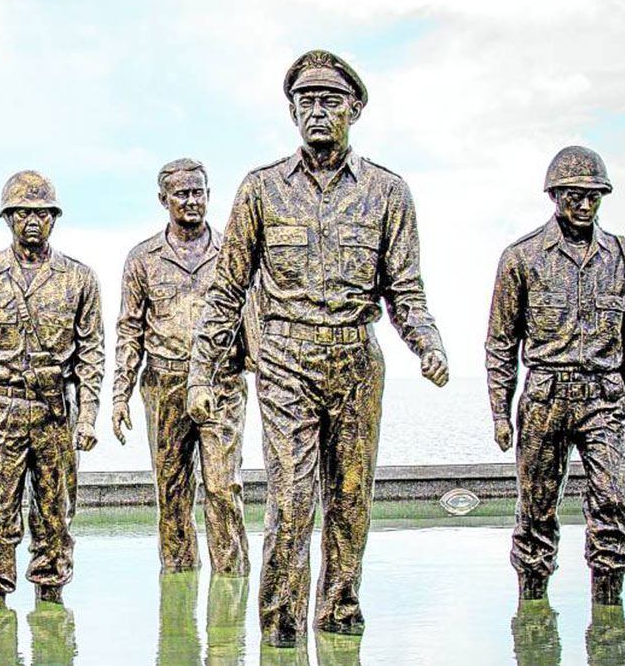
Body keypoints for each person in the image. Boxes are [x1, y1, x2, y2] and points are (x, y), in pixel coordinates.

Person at [187, 50, 449, 646]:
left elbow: (405, 291)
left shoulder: (388, 192)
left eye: (331, 101)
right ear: (292, 112)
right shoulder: (261, 190)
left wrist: (426, 344)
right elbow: (226, 292)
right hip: (285, 364)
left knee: (351, 504)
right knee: (291, 503)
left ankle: (339, 621)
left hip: (357, 363)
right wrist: (203, 375)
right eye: (306, 102)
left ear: (354, 109)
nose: (318, 112)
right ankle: (280, 635)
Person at [485, 145, 625, 606]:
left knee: (612, 510)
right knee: (534, 517)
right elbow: (500, 343)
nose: (585, 203)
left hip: (605, 399)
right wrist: (499, 412)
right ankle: (532, 618)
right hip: (544, 400)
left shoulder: (624, 257)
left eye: (594, 195)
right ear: (555, 195)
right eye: (574, 194)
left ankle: (610, 625)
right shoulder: (521, 258)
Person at [0, 170, 104, 611]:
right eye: (21, 213)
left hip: (55, 411)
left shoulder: (79, 279)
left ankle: (51, 604)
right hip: (1, 408)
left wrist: (88, 417)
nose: (31, 221)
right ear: (7, 219)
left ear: (54, 218)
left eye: (40, 213)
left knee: (54, 516)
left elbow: (92, 356)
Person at [113, 157, 250, 575]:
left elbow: (254, 319)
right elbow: (129, 330)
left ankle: (231, 586)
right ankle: (178, 594)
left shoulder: (233, 253)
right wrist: (119, 395)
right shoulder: (142, 259)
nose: (192, 201)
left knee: (224, 489)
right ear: (163, 199)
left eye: (198, 192)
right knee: (171, 493)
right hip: (164, 384)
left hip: (220, 382)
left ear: (209, 194)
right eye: (182, 194)